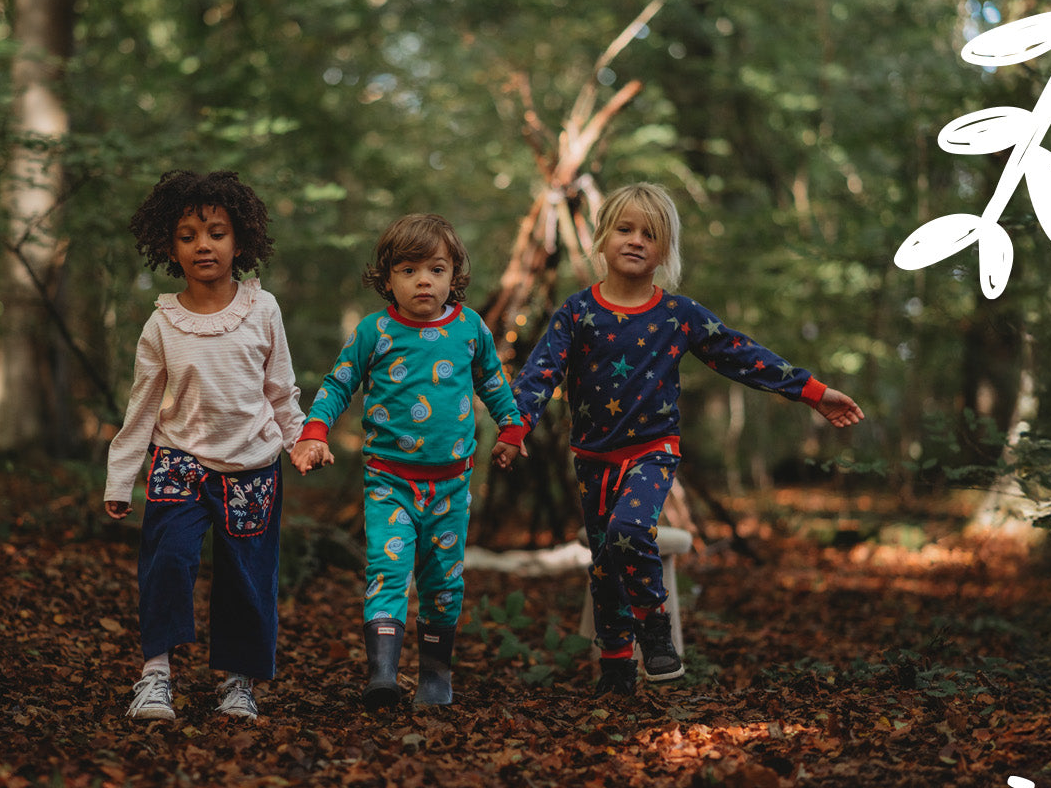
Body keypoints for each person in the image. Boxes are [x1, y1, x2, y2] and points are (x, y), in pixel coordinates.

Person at [490, 182, 864, 696]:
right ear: (602, 237)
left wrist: (813, 391)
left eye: (651, 234)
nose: (636, 241)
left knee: (629, 530)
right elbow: (539, 374)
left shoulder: (678, 315)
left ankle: (655, 631)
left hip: (652, 450)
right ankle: (617, 666)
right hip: (593, 457)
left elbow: (740, 353)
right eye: (625, 229)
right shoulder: (577, 313)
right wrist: (515, 428)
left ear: (665, 250)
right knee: (604, 564)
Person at [291, 213, 523, 707]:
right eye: (409, 269)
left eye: (436, 270)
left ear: (453, 276)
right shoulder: (376, 331)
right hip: (388, 481)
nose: (424, 280)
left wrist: (512, 428)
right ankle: (383, 674)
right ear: (387, 277)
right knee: (387, 572)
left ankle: (436, 676)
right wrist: (314, 431)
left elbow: (493, 381)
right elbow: (339, 383)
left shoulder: (469, 328)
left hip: (451, 485)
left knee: (443, 580)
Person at [103, 170, 304, 721]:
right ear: (170, 247)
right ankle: (155, 676)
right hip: (178, 464)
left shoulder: (262, 310)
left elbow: (280, 391)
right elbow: (141, 407)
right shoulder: (162, 323)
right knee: (166, 561)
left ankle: (238, 683)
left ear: (239, 241)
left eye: (216, 232)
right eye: (188, 235)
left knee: (246, 573)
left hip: (252, 467)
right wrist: (121, 477)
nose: (203, 245)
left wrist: (301, 440)